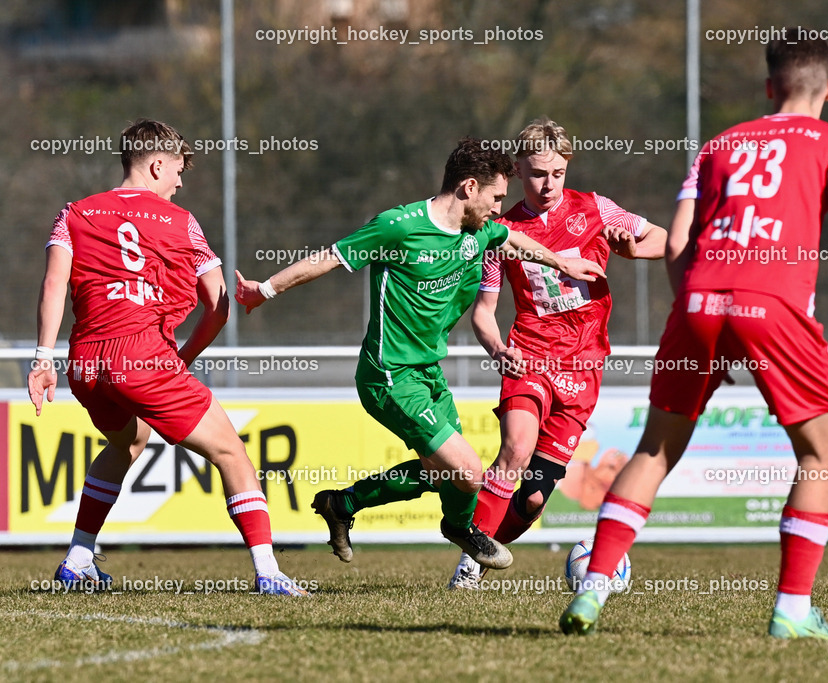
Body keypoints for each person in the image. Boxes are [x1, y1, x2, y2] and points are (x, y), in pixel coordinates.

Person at [559, 31, 828, 638]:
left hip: (698, 300)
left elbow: (676, 243)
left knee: (654, 449)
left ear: (767, 87)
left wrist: (700, 317)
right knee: (820, 453)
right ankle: (792, 611)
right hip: (773, 303)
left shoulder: (718, 144)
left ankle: (593, 588)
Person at [235, 137, 605, 571]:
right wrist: (263, 290)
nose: (499, 208)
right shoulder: (399, 226)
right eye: (496, 197)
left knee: (441, 474)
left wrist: (563, 265)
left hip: (429, 372)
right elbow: (330, 258)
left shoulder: (480, 230)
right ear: (469, 188)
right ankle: (461, 530)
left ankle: (342, 502)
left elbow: (515, 242)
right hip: (388, 374)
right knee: (467, 473)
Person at [28, 118, 307, 595]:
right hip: (142, 357)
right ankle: (270, 574)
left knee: (127, 442)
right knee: (232, 454)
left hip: (87, 362)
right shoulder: (182, 222)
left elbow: (54, 283)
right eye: (179, 170)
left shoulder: (74, 212)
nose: (180, 181)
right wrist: (185, 356)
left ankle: (77, 559)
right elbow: (220, 306)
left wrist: (42, 358)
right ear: (157, 164)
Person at [446, 117, 667, 589]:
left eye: (558, 173)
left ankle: (483, 555)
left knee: (531, 502)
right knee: (516, 448)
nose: (548, 184)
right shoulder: (501, 234)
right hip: (529, 354)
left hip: (584, 366)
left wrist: (633, 251)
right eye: (536, 174)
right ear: (518, 171)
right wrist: (499, 349)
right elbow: (484, 312)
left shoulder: (596, 209)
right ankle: (468, 564)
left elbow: (664, 239)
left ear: (568, 167)